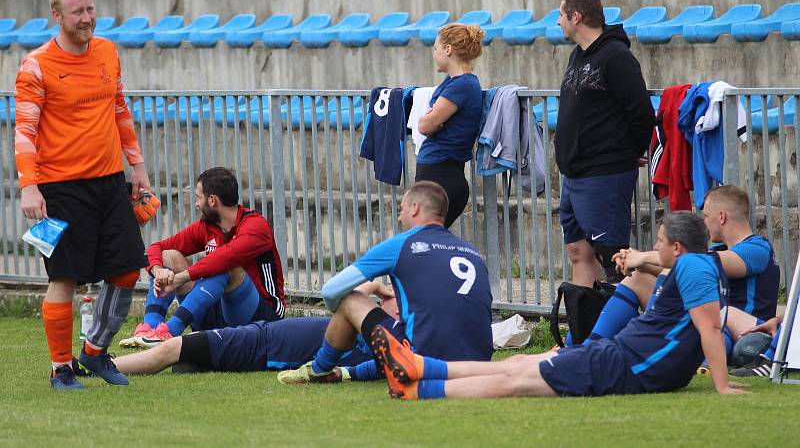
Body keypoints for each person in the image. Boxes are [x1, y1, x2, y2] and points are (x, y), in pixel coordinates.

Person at [369, 211, 749, 399]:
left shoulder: (694, 270)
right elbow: (684, 305)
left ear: (678, 248)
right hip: (622, 356)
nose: (657, 245)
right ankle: (419, 367)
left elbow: (709, 328)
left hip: (623, 364)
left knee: (516, 380)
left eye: (662, 241)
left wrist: (721, 385)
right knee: (517, 364)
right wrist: (643, 259)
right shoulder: (698, 265)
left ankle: (416, 388)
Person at [14, 0, 152, 390]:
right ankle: (60, 368)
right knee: (65, 278)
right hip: (59, 189)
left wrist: (137, 166)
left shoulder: (108, 52)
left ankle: (94, 352)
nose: (88, 18)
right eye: (79, 12)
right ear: (56, 16)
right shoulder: (36, 65)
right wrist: (29, 187)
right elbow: (25, 131)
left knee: (128, 269)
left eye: (91, 9)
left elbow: (119, 108)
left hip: (110, 182)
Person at [277, 181, 493, 384]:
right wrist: (347, 372)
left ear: (415, 208)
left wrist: (344, 318)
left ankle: (318, 370)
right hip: (478, 367)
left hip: (423, 364)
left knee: (349, 299)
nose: (399, 218)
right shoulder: (472, 252)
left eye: (401, 209)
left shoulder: (401, 244)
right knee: (408, 336)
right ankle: (341, 372)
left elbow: (331, 290)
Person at [554, 0, 656, 288]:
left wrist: (631, 150)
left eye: (560, 14)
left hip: (604, 173)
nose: (557, 21)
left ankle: (626, 330)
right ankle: (586, 330)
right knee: (578, 251)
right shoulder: (577, 55)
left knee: (613, 258)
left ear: (575, 17)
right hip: (573, 175)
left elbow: (641, 112)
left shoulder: (616, 57)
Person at [594, 185, 780, 346]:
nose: (704, 222)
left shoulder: (757, 248)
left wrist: (642, 257)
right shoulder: (720, 248)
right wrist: (637, 264)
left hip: (745, 331)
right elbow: (677, 268)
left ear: (721, 217)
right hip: (713, 319)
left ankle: (651, 345)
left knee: (701, 312)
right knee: (638, 278)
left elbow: (701, 262)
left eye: (706, 216)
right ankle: (586, 344)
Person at [119, 167, 285, 348]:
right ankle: (150, 328)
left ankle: (170, 331)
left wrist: (179, 278)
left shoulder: (256, 226)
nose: (197, 204)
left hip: (263, 319)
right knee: (169, 256)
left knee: (226, 266)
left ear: (212, 200)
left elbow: (225, 258)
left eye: (198, 197)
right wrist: (158, 270)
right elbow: (156, 248)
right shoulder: (207, 226)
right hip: (217, 313)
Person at [111, 281, 399, 376]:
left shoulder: (377, 343)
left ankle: (105, 366)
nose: (388, 302)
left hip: (261, 345)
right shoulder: (371, 329)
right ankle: (195, 363)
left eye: (394, 302)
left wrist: (374, 286)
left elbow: (343, 298)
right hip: (262, 334)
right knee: (189, 351)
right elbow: (348, 301)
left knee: (172, 347)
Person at [414, 24, 485, 228]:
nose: (434, 53)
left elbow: (426, 126)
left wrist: (430, 118)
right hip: (438, 174)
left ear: (448, 49)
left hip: (440, 176)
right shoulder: (454, 82)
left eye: (436, 48)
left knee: (424, 244)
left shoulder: (461, 85)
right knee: (427, 242)